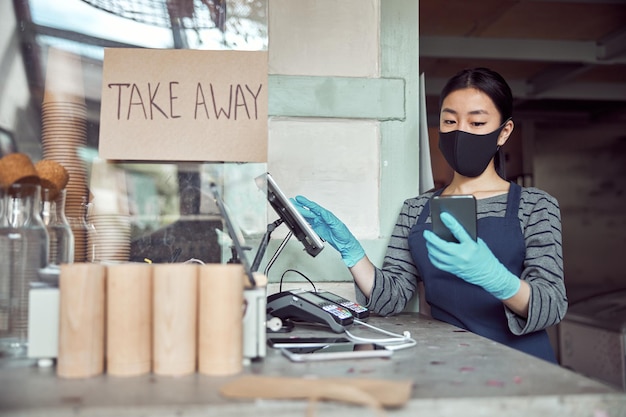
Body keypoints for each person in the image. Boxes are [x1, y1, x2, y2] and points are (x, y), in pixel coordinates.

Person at [292, 67, 568, 363]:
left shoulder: (535, 205)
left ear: (504, 132)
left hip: (522, 366)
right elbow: (392, 298)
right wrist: (352, 252)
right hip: (447, 362)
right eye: (450, 120)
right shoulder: (416, 209)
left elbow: (551, 305)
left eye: (476, 122)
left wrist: (499, 279)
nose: (461, 131)